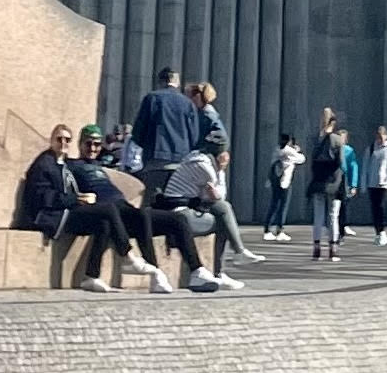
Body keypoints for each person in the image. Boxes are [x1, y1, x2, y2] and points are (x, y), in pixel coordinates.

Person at [22, 123, 142, 293]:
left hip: (66, 211)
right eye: (59, 139)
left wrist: (80, 199)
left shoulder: (63, 164)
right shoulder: (44, 164)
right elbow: (43, 197)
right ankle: (127, 256)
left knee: (104, 223)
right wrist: (76, 199)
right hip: (51, 217)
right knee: (107, 209)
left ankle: (91, 276)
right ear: (51, 141)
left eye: (67, 140)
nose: (63, 143)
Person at [69, 125, 176, 292]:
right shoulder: (73, 165)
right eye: (88, 144)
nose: (92, 148)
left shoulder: (99, 166)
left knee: (142, 215)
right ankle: (127, 257)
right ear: (80, 144)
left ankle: (155, 272)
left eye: (97, 144)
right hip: (102, 208)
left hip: (119, 205)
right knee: (108, 218)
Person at [162, 144, 262, 277]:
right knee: (223, 221)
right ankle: (222, 268)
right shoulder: (203, 167)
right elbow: (212, 197)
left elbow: (220, 194)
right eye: (223, 164)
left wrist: (219, 178)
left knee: (224, 210)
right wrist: (216, 188)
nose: (224, 168)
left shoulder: (207, 165)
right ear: (217, 159)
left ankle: (235, 256)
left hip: (190, 207)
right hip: (179, 213)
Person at [131, 66, 200, 196]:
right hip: (181, 164)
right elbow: (194, 136)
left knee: (152, 204)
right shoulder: (188, 103)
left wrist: (147, 147)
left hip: (155, 161)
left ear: (161, 81)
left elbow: (138, 132)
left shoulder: (152, 98)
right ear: (177, 82)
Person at [307, 110, 346, 261]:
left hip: (318, 180)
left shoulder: (316, 139)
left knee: (318, 215)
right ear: (334, 122)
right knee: (333, 216)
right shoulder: (338, 140)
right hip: (333, 181)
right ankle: (333, 249)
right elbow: (341, 162)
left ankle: (316, 249)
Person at [263, 133, 305, 239]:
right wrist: (297, 150)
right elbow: (302, 159)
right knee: (283, 206)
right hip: (284, 181)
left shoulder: (277, 150)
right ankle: (279, 230)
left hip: (274, 180)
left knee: (273, 204)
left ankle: (267, 229)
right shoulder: (288, 151)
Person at [364, 126, 387, 244]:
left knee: (381, 207)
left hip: (385, 183)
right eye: (378, 137)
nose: (381, 139)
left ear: (386, 135)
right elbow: (366, 166)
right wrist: (364, 184)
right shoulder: (371, 149)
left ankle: (383, 231)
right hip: (372, 183)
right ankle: (378, 232)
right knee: (374, 208)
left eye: (382, 136)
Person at [190, 81, 229, 156]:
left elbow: (200, 135)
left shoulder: (206, 114)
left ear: (198, 96)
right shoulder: (207, 112)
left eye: (193, 95)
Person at [337, 127, 360, 239]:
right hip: (336, 179)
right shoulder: (335, 149)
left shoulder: (349, 151)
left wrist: (353, 184)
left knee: (344, 204)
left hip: (345, 179)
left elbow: (353, 167)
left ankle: (343, 225)